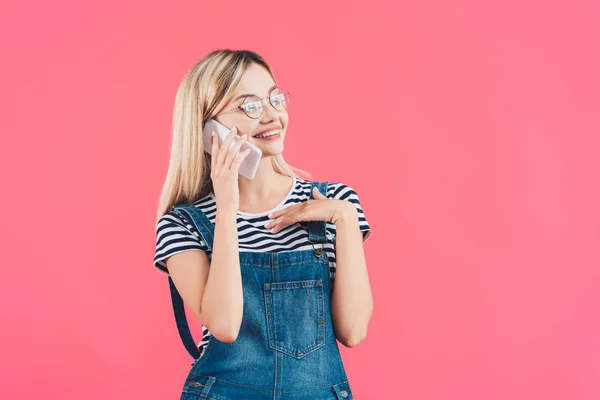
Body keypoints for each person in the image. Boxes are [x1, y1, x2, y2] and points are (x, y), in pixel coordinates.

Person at [153, 49, 373, 400]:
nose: (272, 116)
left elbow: (353, 330)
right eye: (249, 106)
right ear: (210, 128)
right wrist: (227, 209)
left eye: (274, 98)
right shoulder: (183, 223)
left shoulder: (335, 205)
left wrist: (345, 220)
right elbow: (224, 325)